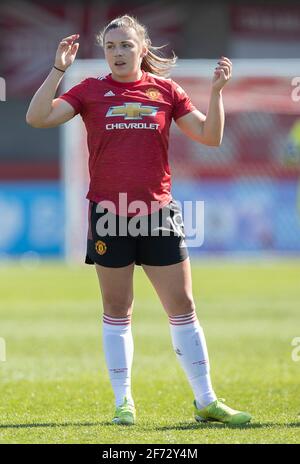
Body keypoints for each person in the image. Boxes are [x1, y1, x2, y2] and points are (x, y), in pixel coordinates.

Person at [26, 14, 252, 426]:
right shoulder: (90, 90)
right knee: (117, 308)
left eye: (126, 45)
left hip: (158, 213)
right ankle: (123, 402)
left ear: (142, 49)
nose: (117, 53)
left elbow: (210, 137)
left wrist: (217, 92)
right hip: (110, 215)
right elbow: (38, 118)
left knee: (182, 305)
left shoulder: (166, 91)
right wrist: (58, 68)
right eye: (110, 46)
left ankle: (206, 400)